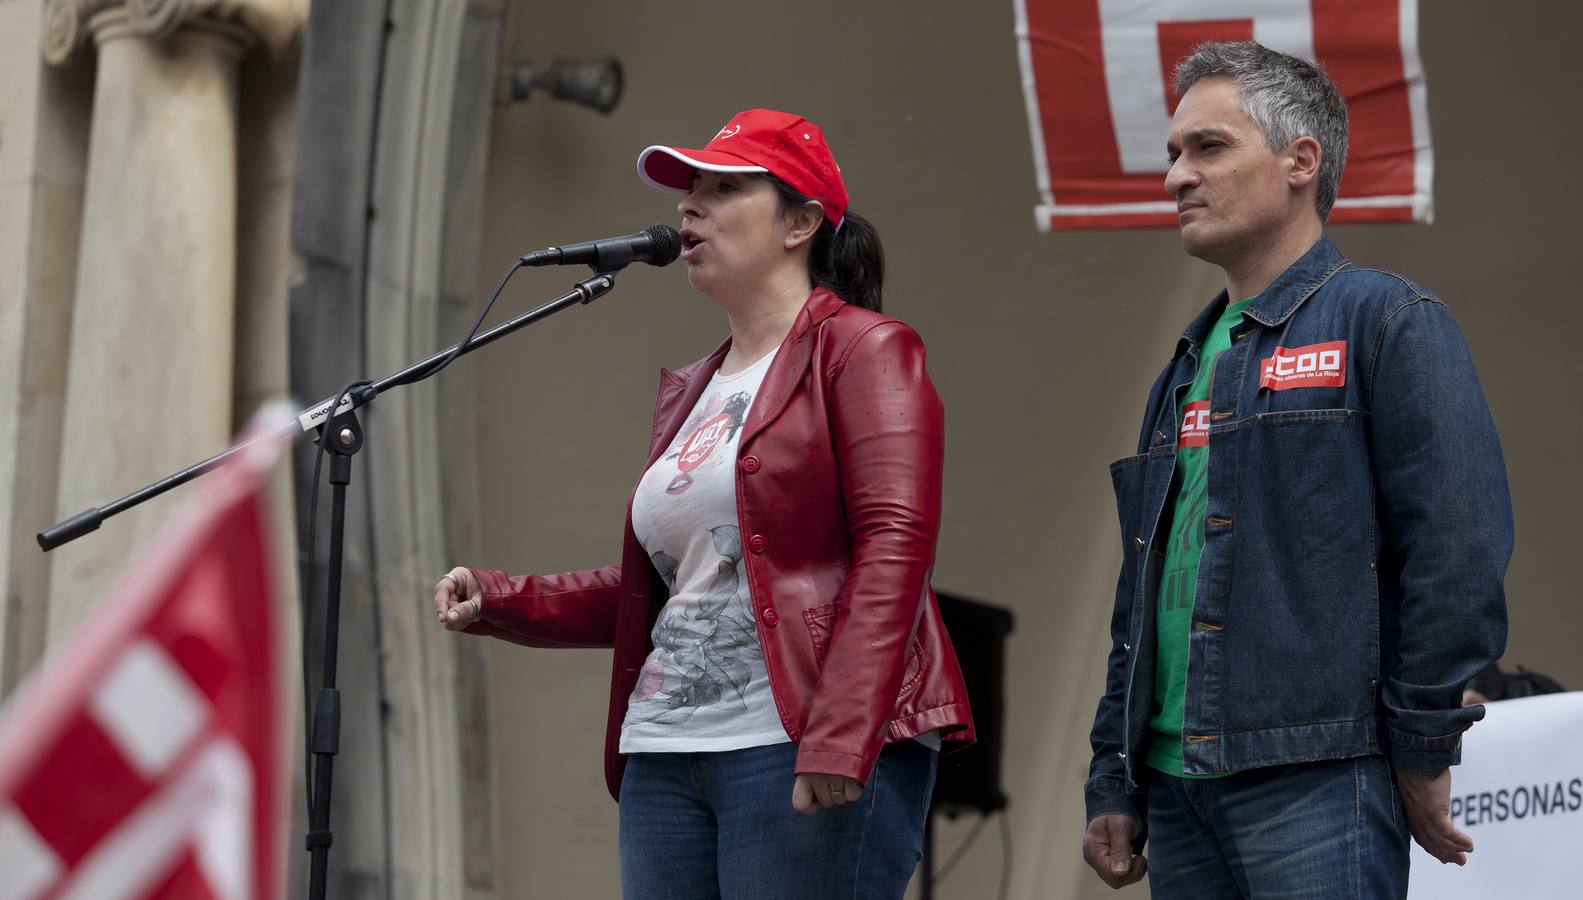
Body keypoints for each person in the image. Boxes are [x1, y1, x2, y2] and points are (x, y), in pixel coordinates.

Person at [432, 108, 974, 899]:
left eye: (721, 189)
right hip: (665, 753)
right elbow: (685, 586)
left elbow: (894, 545)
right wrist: (504, 598)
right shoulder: (696, 389)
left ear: (800, 223)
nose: (688, 207)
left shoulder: (864, 348)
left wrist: (841, 735)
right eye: (688, 191)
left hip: (793, 742)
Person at [1080, 42, 1512, 898]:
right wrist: (1113, 776)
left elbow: (1457, 547)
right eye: (1173, 154)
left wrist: (1421, 744)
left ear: (1299, 162)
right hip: (1174, 789)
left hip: (1318, 772)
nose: (1174, 177)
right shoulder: (1185, 362)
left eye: (1206, 148)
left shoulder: (1387, 319)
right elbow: (1142, 590)